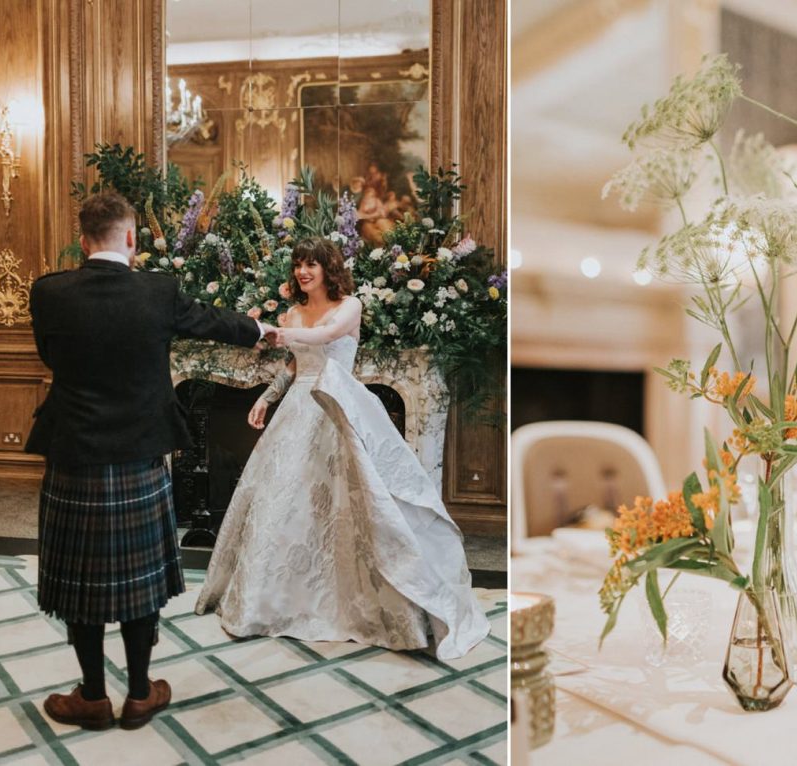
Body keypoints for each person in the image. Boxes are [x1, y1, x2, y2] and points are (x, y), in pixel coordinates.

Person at [26, 192, 276, 730]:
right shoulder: (157, 292)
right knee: (139, 581)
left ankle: (92, 696)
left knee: (80, 583)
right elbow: (210, 321)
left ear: (83, 236)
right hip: (139, 455)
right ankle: (140, 693)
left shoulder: (48, 293)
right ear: (132, 237)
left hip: (75, 453)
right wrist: (259, 329)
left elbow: (50, 356)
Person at [195, 237, 489, 660]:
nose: (303, 271)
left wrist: (274, 331)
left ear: (328, 268)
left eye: (311, 263)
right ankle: (272, 602)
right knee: (282, 501)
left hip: (338, 408)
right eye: (298, 264)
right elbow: (294, 365)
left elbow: (328, 335)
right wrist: (265, 397)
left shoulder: (349, 305)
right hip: (297, 409)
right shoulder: (293, 311)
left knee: (351, 503)